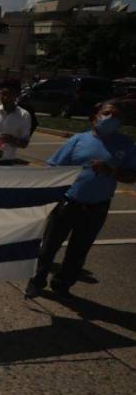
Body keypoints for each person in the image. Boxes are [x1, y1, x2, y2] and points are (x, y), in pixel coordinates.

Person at [25, 101, 136, 299]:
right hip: (68, 202)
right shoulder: (78, 140)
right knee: (48, 247)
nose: (111, 118)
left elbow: (131, 177)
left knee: (78, 251)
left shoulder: (125, 145)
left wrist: (111, 171)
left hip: (97, 207)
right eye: (107, 113)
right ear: (95, 116)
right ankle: (37, 281)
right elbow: (54, 168)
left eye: (117, 116)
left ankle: (62, 285)